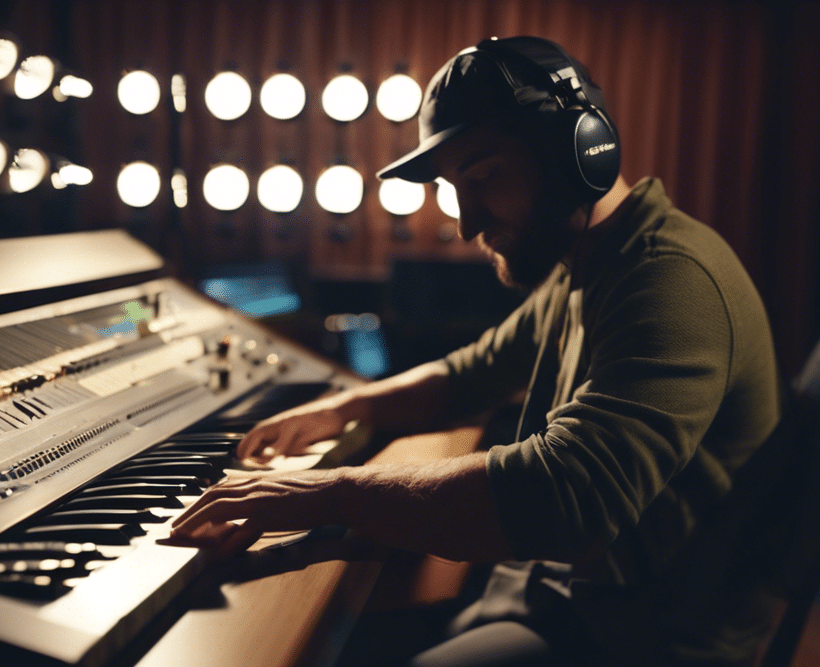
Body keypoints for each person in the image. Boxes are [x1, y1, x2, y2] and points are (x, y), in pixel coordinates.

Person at [170, 36, 783, 667]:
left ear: (576, 153)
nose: (465, 223)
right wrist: (350, 408)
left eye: (484, 176)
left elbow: (566, 495)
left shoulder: (669, 280)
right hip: (565, 598)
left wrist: (323, 496)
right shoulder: (591, 263)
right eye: (450, 186)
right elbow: (474, 372)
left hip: (640, 637)